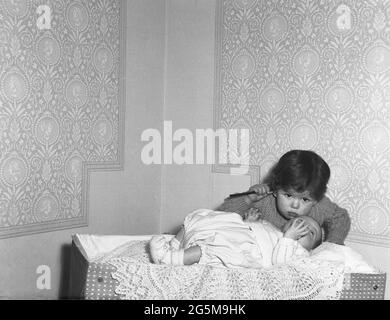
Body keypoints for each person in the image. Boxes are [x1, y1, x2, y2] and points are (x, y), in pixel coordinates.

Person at [217, 150, 351, 245]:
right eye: (288, 195)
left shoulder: (320, 207)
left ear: (316, 199)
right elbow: (221, 217)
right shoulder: (263, 200)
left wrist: (333, 243)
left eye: (305, 199)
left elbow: (340, 217)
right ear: (275, 189)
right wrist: (247, 200)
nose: (295, 205)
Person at [149, 208, 322, 268]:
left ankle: (170, 258)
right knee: (205, 218)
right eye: (300, 222)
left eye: (311, 232)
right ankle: (176, 243)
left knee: (215, 247)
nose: (303, 229)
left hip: (248, 252)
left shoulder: (299, 253)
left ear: (311, 248)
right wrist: (250, 222)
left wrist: (290, 238)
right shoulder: (273, 229)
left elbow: (281, 263)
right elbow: (252, 231)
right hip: (240, 234)